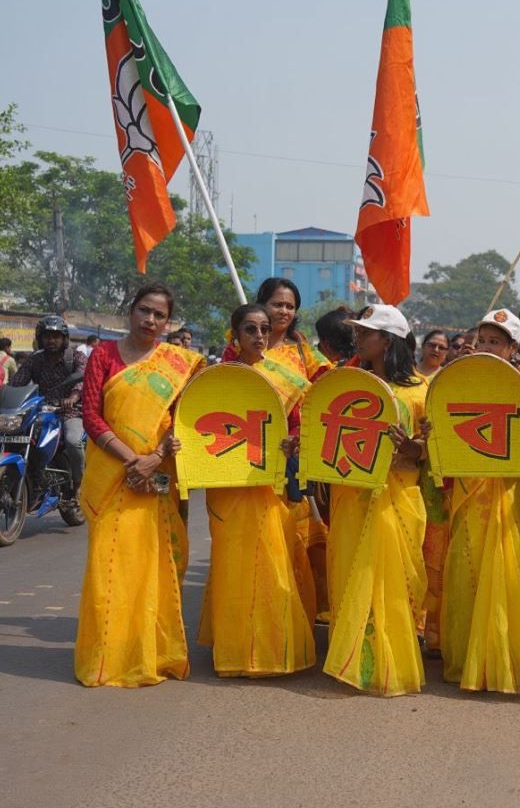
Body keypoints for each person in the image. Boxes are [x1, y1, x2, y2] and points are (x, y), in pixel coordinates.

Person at [74, 283, 204, 686]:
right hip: (113, 473)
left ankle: (152, 652)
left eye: (159, 315)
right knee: (108, 566)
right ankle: (106, 658)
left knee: (156, 563)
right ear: (131, 312)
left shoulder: (178, 364)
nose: (150, 320)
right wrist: (133, 460)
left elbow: (187, 419)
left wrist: (155, 460)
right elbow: (92, 417)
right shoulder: (103, 356)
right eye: (144, 311)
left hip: (159, 474)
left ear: (167, 323)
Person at [197, 304, 314, 678]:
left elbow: (299, 425)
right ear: (235, 334)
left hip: (269, 486)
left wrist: (292, 444)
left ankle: (272, 650)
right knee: (232, 565)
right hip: (228, 485)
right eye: (250, 329)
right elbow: (196, 423)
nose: (259, 336)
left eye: (264, 329)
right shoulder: (216, 377)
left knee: (272, 565)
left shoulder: (285, 378)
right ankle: (232, 650)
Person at [322, 304, 430, 695]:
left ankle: (389, 661)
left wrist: (413, 447)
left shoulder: (421, 391)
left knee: (393, 582)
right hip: (351, 495)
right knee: (351, 573)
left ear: (386, 341)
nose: (358, 338)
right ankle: (352, 658)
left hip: (398, 496)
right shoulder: (349, 385)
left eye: (365, 332)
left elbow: (435, 452)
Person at [437, 309, 520, 693]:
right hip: (467, 491)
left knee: (506, 570)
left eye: (494, 342)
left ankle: (505, 660)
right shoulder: (458, 384)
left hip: (508, 495)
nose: (484, 347)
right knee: (466, 573)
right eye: (481, 340)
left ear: (513, 348)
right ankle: (467, 658)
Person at [225, 277, 332, 620]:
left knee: (296, 535)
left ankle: (297, 613)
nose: (284, 311)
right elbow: (222, 394)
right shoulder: (241, 349)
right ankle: (252, 616)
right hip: (248, 454)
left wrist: (303, 436)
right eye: (277, 304)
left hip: (294, 454)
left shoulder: (302, 350)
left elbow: (325, 388)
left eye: (290, 305)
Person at [9, 315, 87, 505]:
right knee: (12, 434)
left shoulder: (75, 356)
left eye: (56, 336)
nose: (51, 340)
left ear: (64, 338)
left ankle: (79, 484)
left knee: (73, 440)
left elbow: (84, 378)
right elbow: (17, 382)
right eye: (46, 336)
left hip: (70, 410)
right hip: (40, 410)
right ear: (40, 338)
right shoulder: (34, 359)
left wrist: (73, 397)